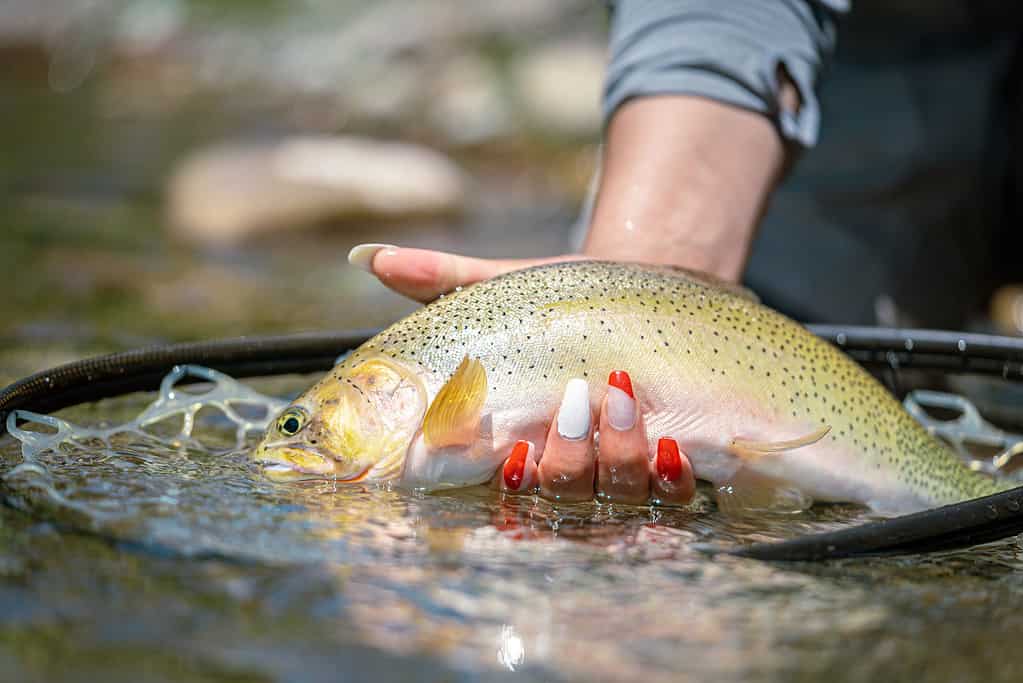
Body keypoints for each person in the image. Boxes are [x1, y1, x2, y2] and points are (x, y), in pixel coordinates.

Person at [347, 1, 1023, 504]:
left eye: (299, 425)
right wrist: (650, 271)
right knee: (725, 507)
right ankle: (954, 492)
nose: (298, 437)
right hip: (870, 60)